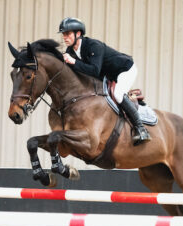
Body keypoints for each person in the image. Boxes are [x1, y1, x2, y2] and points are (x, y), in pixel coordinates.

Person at [59, 17, 151, 146]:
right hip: (109, 75)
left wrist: (73, 62)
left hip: (125, 69)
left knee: (118, 94)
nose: (65, 37)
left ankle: (141, 129)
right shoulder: (70, 51)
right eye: (63, 34)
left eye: (67, 34)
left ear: (78, 34)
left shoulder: (93, 46)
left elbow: (94, 71)